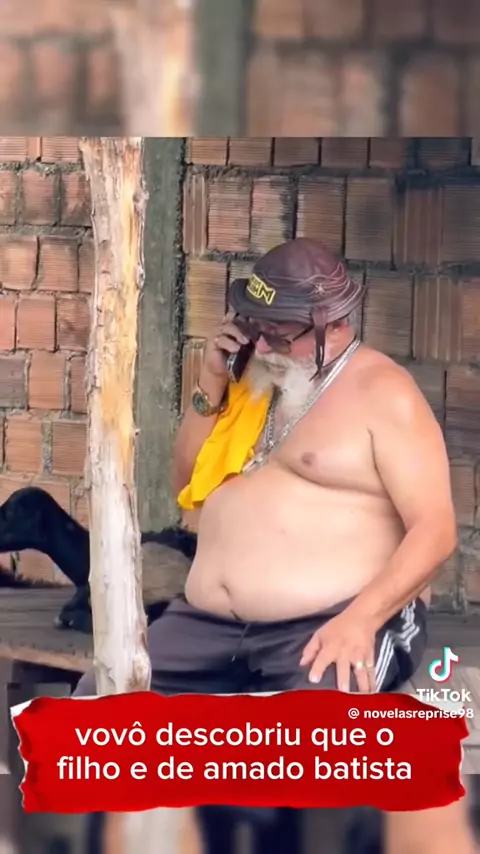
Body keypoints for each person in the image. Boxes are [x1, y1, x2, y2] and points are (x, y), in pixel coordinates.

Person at [74, 237, 456, 696]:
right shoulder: (253, 379)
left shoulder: (385, 393)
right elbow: (187, 485)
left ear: (332, 324)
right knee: (100, 700)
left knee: (306, 728)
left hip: (331, 623)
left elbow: (435, 531)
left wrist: (361, 619)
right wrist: (211, 380)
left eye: (278, 334)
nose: (261, 344)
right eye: (254, 326)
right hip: (206, 627)